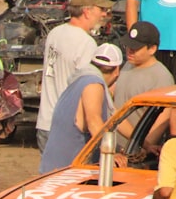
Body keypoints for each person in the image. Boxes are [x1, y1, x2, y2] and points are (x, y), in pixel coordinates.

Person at [35, 0, 114, 153]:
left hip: (45, 123)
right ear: (87, 11)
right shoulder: (86, 43)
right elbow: (87, 88)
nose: (103, 14)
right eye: (101, 9)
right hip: (66, 128)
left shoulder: (55, 33)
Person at [39, 43, 123, 174]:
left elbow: (116, 117)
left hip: (53, 169)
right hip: (66, 173)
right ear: (117, 70)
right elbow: (94, 121)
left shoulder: (79, 80)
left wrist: (145, 143)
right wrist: (111, 153)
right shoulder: (93, 85)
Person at [113, 21, 175, 148]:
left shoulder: (161, 77)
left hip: (133, 150)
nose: (129, 51)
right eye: (128, 47)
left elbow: (163, 117)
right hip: (114, 144)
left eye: (135, 49)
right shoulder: (128, 65)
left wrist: (145, 145)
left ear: (152, 49)